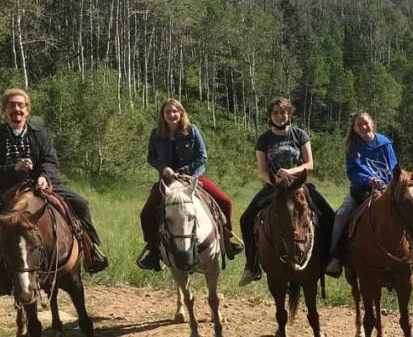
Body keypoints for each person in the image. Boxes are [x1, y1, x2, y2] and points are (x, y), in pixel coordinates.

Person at [0, 88, 108, 297]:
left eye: (21, 106)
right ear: (5, 110)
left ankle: (93, 253)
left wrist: (44, 176)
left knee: (81, 204)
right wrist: (14, 168)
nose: (16, 110)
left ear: (27, 110)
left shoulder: (40, 134)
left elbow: (50, 160)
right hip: (8, 189)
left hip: (41, 185)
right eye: (12, 105)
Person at [325, 111, 413, 276]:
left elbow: (394, 167)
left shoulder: (385, 143)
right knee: (341, 216)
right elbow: (353, 172)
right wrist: (368, 180)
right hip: (360, 191)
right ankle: (335, 257)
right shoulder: (353, 147)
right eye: (358, 125)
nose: (363, 127)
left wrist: (395, 184)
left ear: (372, 123)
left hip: (387, 189)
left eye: (365, 123)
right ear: (354, 129)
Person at [136, 98, 243, 272]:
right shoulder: (156, 134)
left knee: (225, 202)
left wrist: (185, 170)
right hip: (168, 182)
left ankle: (227, 240)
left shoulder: (191, 131)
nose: (171, 115)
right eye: (167, 112)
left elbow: (202, 156)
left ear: (181, 113)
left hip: (193, 178)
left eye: (174, 111)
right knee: (146, 213)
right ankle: (153, 251)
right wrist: (164, 169)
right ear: (162, 115)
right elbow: (151, 157)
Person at [238, 97, 335, 285]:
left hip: (299, 185)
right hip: (274, 187)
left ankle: (327, 259)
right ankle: (252, 266)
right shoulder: (264, 139)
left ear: (289, 114)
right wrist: (276, 182)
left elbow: (309, 164)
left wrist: (289, 173)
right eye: (275, 112)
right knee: (246, 218)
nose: (279, 116)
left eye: (283, 112)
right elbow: (263, 170)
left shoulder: (299, 134)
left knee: (328, 214)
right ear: (270, 115)